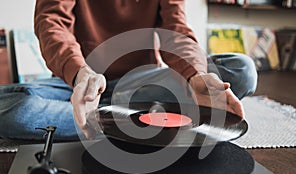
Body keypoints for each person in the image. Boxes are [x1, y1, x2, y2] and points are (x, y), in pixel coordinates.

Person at [0, 0, 257, 141]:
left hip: (143, 81)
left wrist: (197, 75)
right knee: (9, 107)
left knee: (241, 69)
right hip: (80, 84)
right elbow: (52, 23)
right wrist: (80, 74)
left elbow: (176, 32)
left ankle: (109, 121)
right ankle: (136, 120)